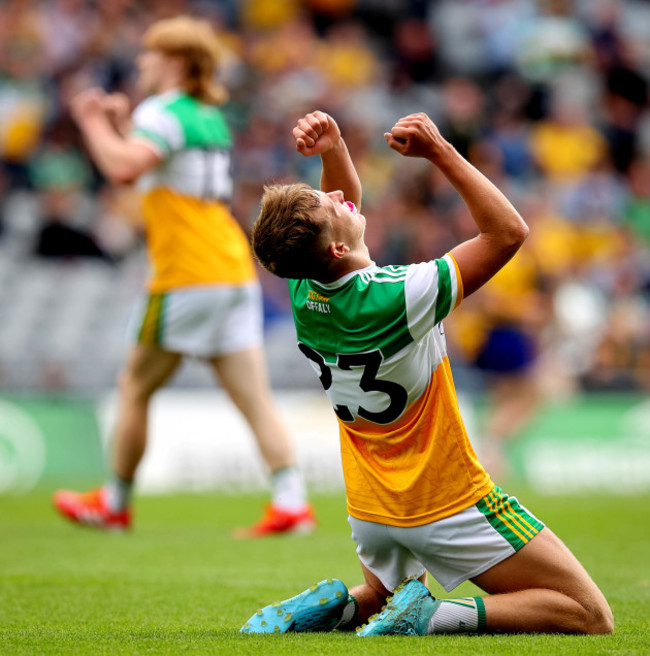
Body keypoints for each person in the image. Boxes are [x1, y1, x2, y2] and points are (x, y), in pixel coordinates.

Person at [239, 110, 613, 635]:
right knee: (587, 612)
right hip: (444, 496)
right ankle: (435, 615)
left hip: (371, 505)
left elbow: (343, 203)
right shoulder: (401, 294)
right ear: (337, 248)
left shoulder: (305, 289)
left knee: (381, 596)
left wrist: (334, 147)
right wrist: (441, 151)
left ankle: (343, 604)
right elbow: (507, 231)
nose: (336, 198)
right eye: (327, 206)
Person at [52, 16, 315, 538]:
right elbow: (164, 167)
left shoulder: (165, 110)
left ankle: (115, 502)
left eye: (151, 54)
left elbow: (126, 168)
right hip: (231, 269)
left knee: (134, 386)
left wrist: (93, 124)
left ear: (174, 61)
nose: (142, 62)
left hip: (188, 274)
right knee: (253, 396)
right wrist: (124, 126)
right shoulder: (206, 115)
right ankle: (292, 504)